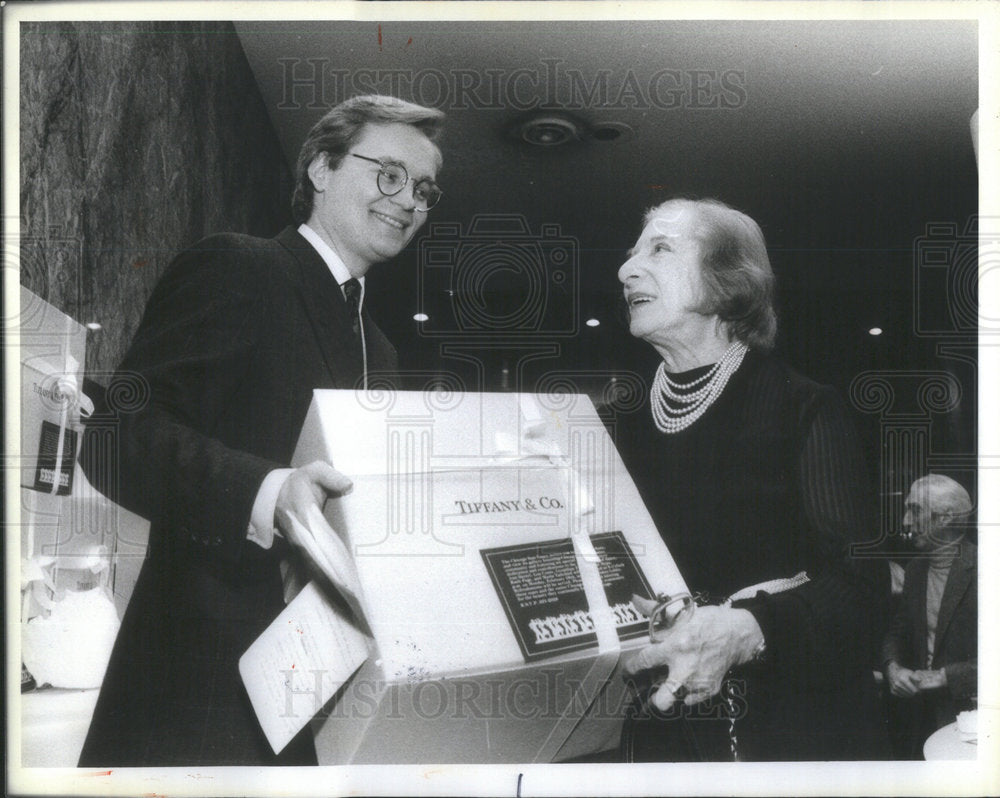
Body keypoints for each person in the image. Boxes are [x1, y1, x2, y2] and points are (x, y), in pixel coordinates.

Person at [78, 95, 445, 766]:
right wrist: (268, 491)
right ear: (323, 170)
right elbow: (116, 432)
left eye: (423, 189)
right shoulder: (240, 267)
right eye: (388, 173)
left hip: (319, 702)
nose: (409, 200)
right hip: (199, 695)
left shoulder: (383, 349)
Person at [614, 197, 890, 761]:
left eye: (660, 249)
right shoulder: (619, 425)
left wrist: (746, 630)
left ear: (724, 282)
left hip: (784, 731)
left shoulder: (803, 405)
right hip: (658, 732)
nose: (626, 269)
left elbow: (861, 592)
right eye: (632, 253)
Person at [881, 474, 977, 759]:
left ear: (946, 518)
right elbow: (897, 632)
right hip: (917, 717)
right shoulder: (915, 570)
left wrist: (943, 677)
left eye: (915, 510)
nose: (906, 522)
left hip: (972, 724)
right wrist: (892, 668)